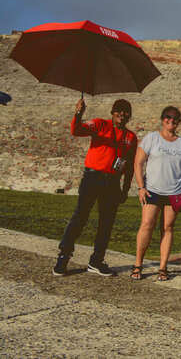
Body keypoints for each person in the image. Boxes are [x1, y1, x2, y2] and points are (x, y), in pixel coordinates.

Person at [53, 98, 137, 277]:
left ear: (129, 116)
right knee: (80, 217)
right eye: (118, 111)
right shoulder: (100, 125)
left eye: (125, 112)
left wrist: (126, 188)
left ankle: (96, 261)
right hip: (93, 177)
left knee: (106, 222)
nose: (122, 115)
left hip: (113, 182)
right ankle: (63, 256)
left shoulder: (131, 137)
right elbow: (77, 130)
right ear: (112, 112)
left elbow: (129, 166)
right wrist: (79, 113)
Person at [131, 106, 181, 281]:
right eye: (167, 117)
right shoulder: (152, 138)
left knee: (168, 227)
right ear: (162, 119)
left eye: (175, 119)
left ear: (179, 122)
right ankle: (138, 264)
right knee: (147, 224)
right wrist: (141, 187)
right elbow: (138, 163)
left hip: (175, 191)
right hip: (153, 190)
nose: (171, 121)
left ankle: (163, 267)